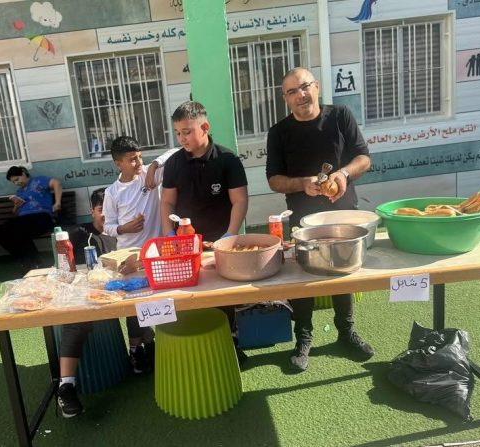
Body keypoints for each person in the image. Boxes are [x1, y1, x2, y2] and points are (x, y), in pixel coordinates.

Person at [266, 67, 374, 372]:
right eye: (292, 91)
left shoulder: (340, 116)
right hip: (303, 217)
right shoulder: (279, 132)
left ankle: (346, 331)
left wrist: (343, 174)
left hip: (343, 212)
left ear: (317, 87)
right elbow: (274, 179)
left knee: (342, 271)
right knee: (302, 277)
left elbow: (364, 158)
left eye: (304, 87)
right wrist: (303, 183)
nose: (300, 95)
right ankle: (304, 337)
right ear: (285, 98)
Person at [160, 101, 249, 361]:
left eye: (187, 132)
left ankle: (231, 344)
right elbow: (167, 202)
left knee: (222, 297)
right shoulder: (174, 163)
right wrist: (168, 235)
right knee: (188, 296)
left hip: (219, 240)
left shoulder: (227, 160)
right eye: (178, 133)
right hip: (185, 242)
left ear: (205, 127)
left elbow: (240, 200)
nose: (181, 138)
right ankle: (194, 350)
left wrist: (230, 235)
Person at [103, 136, 178, 375]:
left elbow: (176, 151)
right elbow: (107, 226)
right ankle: (136, 351)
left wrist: (154, 165)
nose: (138, 163)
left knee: (162, 301)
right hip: (129, 257)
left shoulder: (150, 174)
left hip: (156, 254)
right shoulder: (112, 192)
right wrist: (124, 228)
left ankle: (161, 346)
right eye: (132, 160)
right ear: (118, 163)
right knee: (136, 307)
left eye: (139, 157)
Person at [57, 188, 117, 418]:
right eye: (102, 209)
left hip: (119, 291)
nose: (107, 215)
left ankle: (139, 351)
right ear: (92, 211)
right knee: (76, 317)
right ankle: (66, 386)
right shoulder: (78, 234)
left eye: (112, 209)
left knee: (143, 304)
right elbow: (63, 267)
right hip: (86, 293)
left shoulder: (123, 232)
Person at [0, 166, 62, 271]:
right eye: (14, 182)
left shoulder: (39, 181)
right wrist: (16, 206)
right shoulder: (19, 193)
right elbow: (16, 213)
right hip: (24, 219)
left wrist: (57, 202)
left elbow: (56, 183)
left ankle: (35, 263)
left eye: (17, 179)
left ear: (23, 173)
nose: (16, 183)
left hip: (42, 216)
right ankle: (26, 261)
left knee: (20, 231)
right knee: (1, 232)